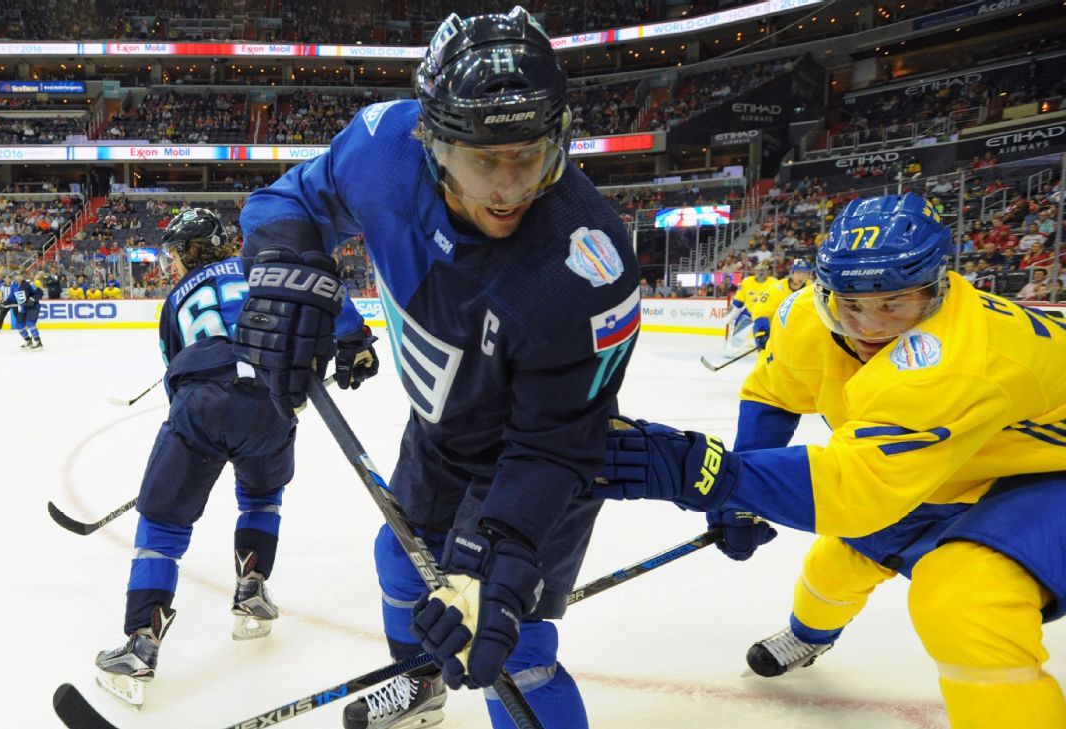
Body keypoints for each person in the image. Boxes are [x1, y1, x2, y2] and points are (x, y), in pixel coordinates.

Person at [234, 8, 641, 728]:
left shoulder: (590, 265)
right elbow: (289, 200)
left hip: (540, 458)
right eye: (484, 160)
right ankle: (420, 684)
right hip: (442, 432)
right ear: (433, 141)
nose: (509, 189)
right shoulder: (383, 148)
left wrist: (507, 552)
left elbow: (557, 441)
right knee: (401, 564)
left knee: (515, 646)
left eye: (530, 156)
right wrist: (283, 264)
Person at [596, 192, 1066, 729]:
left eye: (894, 304)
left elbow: (856, 489)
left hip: (1044, 472)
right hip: (960, 463)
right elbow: (775, 393)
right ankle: (807, 637)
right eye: (852, 304)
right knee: (837, 563)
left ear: (937, 289)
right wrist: (741, 498)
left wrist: (705, 474)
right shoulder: (805, 315)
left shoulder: (960, 357)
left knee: (964, 597)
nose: (869, 327)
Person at [93, 208, 377, 709]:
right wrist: (355, 343)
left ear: (187, 251)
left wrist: (191, 433)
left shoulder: (174, 300)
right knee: (263, 497)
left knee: (163, 523)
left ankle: (141, 643)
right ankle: (252, 591)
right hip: (271, 402)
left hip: (201, 404)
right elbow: (322, 294)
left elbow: (173, 377)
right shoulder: (260, 265)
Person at [721, 260, 787, 351]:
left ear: (768, 272)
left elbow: (781, 299)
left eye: (763, 270)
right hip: (749, 313)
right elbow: (738, 300)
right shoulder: (746, 282)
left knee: (763, 339)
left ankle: (767, 352)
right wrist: (730, 315)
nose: (761, 273)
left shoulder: (775, 283)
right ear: (754, 271)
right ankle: (731, 350)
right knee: (738, 333)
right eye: (758, 270)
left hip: (766, 315)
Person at [0, 270, 43, 349]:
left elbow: (40, 293)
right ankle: (28, 341)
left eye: (20, 275)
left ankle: (38, 342)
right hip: (24, 308)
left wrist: (32, 299)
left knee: (30, 323)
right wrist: (3, 304)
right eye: (17, 276)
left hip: (33, 307)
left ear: (22, 276)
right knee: (18, 325)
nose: (19, 277)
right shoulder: (13, 286)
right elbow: (11, 298)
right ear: (14, 277)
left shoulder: (29, 284)